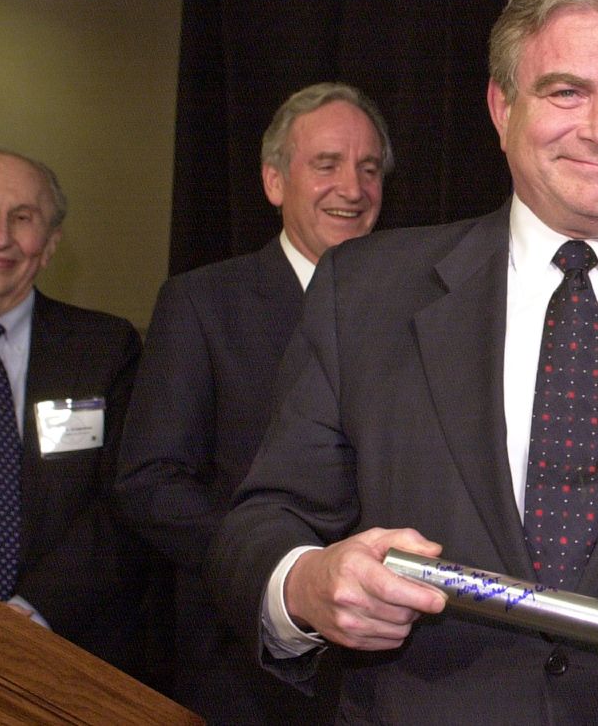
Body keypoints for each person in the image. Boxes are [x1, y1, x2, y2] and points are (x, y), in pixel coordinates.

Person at [206, 0, 598, 723]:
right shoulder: (366, 292)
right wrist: (306, 584)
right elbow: (261, 522)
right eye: (565, 92)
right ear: (500, 106)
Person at [115, 83, 391, 722]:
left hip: (387, 671)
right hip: (244, 666)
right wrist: (283, 571)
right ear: (274, 181)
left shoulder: (411, 310)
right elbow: (148, 483)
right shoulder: (202, 303)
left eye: (369, 168)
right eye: (326, 164)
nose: (352, 188)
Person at [0, 149, 148, 676]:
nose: (0, 238)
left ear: (49, 246)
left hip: (57, 653)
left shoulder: (106, 349)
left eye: (23, 218)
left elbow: (124, 504)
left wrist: (28, 617)